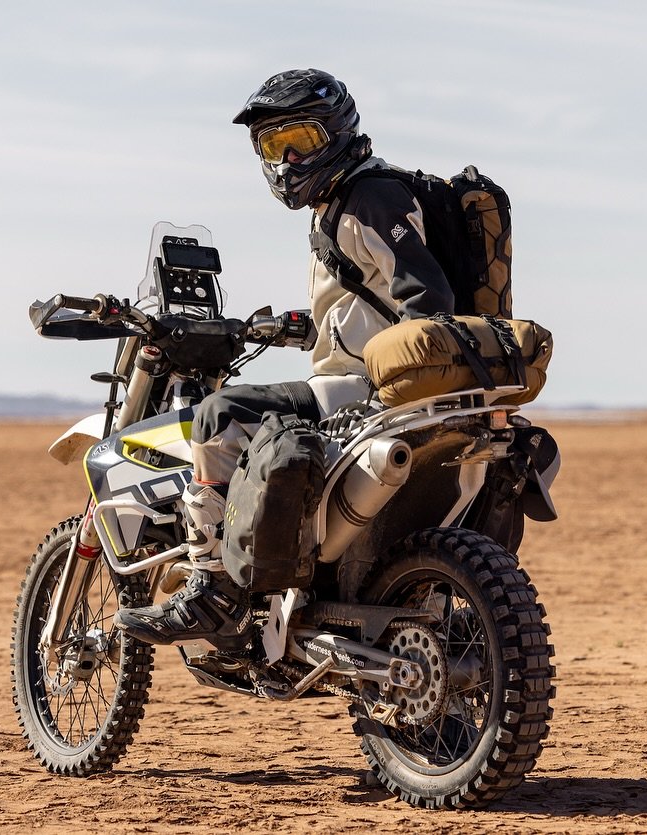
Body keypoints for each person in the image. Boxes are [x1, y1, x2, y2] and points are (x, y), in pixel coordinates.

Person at [116, 68, 455, 649]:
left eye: (302, 141)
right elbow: (371, 301)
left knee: (219, 415)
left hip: (367, 390)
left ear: (339, 131)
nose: (289, 160)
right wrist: (305, 330)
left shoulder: (366, 199)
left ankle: (212, 588)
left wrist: (391, 374)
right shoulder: (352, 201)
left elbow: (428, 299)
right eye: (274, 146)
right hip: (378, 380)